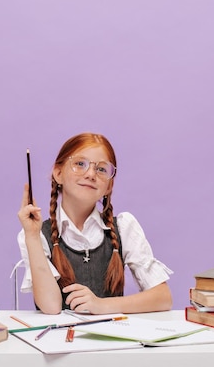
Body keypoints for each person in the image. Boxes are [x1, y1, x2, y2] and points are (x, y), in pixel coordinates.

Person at [17, 132, 173, 315]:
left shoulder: (123, 227)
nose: (91, 174)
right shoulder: (36, 235)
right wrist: (32, 236)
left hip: (114, 340)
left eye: (101, 169)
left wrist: (101, 305)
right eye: (80, 164)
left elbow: (163, 297)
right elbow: (51, 307)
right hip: (59, 341)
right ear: (58, 173)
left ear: (109, 186)